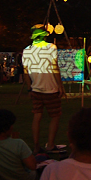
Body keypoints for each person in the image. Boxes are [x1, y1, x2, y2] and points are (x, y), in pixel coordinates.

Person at [23, 25, 66, 154]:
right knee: (55, 116)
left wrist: (29, 88)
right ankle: (50, 144)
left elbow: (26, 72)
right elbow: (54, 67)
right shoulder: (51, 47)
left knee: (37, 116)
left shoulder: (26, 50)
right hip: (50, 88)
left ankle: (36, 146)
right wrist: (60, 85)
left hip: (35, 88)